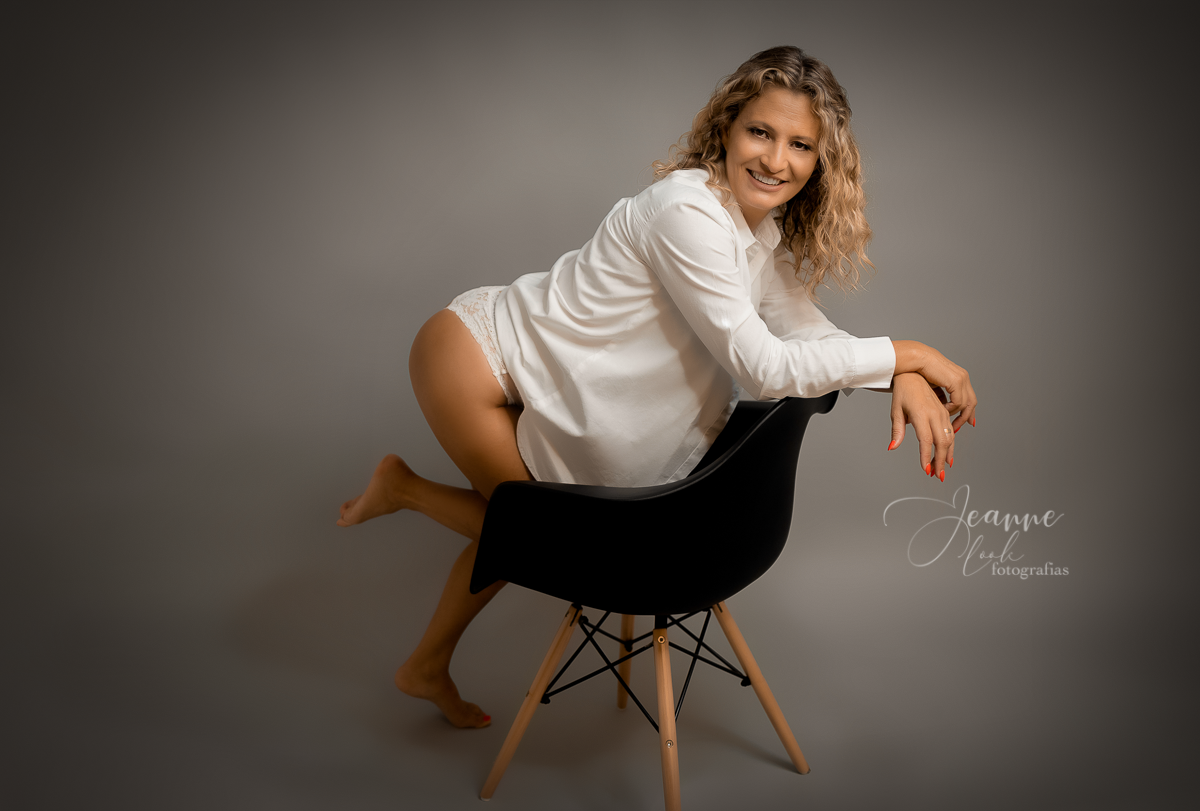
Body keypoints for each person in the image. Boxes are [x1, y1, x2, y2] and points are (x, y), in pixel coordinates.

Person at [336, 46, 977, 729]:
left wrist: (902, 374)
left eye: (800, 145)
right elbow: (764, 365)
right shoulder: (686, 213)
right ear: (727, 129)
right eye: (760, 132)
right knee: (542, 539)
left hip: (559, 376)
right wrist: (909, 352)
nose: (775, 159)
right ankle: (404, 493)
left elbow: (806, 330)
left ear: (822, 161)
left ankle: (425, 660)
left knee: (523, 525)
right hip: (476, 358)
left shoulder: (759, 233)